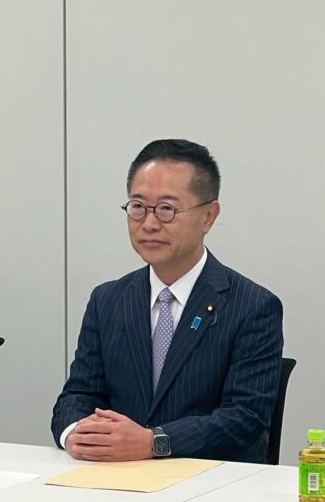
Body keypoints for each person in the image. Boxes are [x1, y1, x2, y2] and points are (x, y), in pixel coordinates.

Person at [51, 139, 283, 463]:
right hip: (116, 477)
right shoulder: (107, 300)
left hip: (212, 478)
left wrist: (154, 442)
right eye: (138, 207)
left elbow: (244, 417)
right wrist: (76, 434)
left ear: (208, 216)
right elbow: (77, 395)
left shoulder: (253, 306)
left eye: (166, 209)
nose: (149, 224)